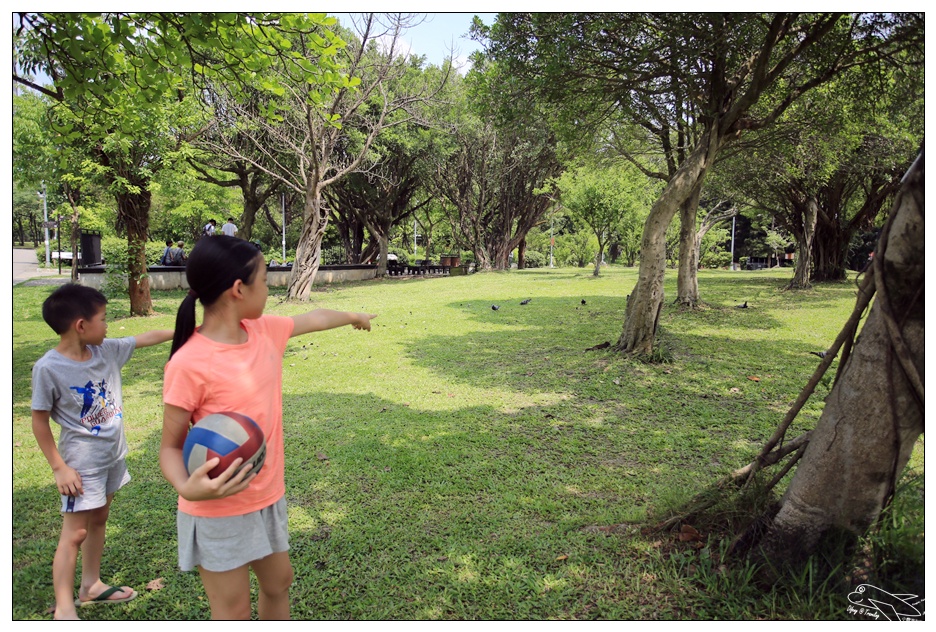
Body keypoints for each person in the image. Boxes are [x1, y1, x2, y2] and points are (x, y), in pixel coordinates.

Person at [159, 235, 376, 620]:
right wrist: (185, 485)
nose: (270, 288)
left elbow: (314, 318)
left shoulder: (263, 332)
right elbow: (170, 448)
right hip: (217, 508)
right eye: (264, 279)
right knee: (233, 612)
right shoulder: (188, 363)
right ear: (238, 289)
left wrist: (354, 316)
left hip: (266, 495)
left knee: (279, 583)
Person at [31, 284, 173, 620]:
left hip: (112, 457)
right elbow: (39, 423)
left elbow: (146, 337)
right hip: (80, 466)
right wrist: (59, 468)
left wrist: (189, 330)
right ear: (81, 325)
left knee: (99, 519)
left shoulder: (104, 350)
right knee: (74, 533)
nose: (108, 326)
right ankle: (64, 608)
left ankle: (91, 586)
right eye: (104, 319)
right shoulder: (48, 368)